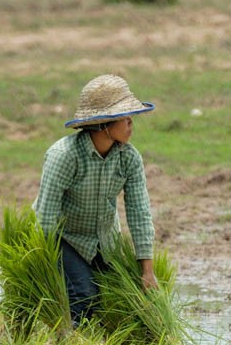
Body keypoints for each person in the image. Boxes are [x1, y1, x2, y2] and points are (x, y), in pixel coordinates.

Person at [34, 73, 158, 327]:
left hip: (103, 238)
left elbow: (139, 212)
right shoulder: (64, 156)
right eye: (125, 118)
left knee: (119, 293)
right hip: (64, 237)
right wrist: (44, 269)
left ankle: (103, 344)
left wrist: (147, 272)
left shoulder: (129, 158)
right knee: (84, 295)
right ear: (104, 124)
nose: (131, 123)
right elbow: (45, 217)